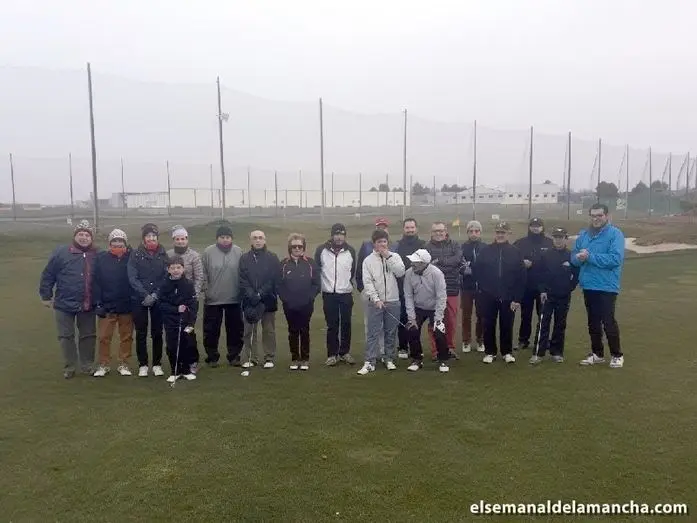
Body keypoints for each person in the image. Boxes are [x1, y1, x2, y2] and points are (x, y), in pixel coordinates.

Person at [39, 219, 99, 379]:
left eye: (87, 235)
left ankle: (87, 365)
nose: (84, 237)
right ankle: (70, 367)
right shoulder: (61, 253)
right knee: (66, 337)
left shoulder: (97, 254)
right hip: (64, 304)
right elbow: (48, 275)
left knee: (88, 336)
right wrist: (46, 296)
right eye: (81, 234)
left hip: (88, 303)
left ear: (91, 238)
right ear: (75, 236)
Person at [572, 203, 626, 368]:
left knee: (608, 321)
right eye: (593, 216)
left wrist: (589, 257)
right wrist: (578, 258)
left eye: (599, 215)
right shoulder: (584, 235)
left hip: (607, 286)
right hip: (588, 285)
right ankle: (597, 354)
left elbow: (615, 259)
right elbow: (574, 257)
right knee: (593, 322)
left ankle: (617, 355)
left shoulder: (615, 234)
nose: (596, 219)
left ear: (607, 216)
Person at [473, 221, 526, 364]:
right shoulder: (486, 251)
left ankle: (507, 352)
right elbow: (478, 271)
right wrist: (483, 289)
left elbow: (521, 277)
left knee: (506, 324)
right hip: (488, 295)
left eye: (503, 232)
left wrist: (517, 298)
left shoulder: (515, 252)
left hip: (509, 296)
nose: (500, 235)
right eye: (498, 232)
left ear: (508, 233)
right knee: (488, 324)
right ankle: (490, 352)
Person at [357, 229, 405, 375]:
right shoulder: (368, 261)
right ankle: (369, 361)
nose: (382, 244)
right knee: (373, 332)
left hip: (393, 300)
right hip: (375, 303)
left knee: (390, 332)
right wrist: (376, 299)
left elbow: (400, 272)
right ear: (374, 244)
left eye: (384, 241)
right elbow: (367, 282)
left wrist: (388, 257)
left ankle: (388, 358)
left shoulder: (395, 256)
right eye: (379, 242)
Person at [530, 227, 579, 364]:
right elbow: (539, 274)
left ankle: (556, 352)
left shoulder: (571, 256)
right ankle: (538, 353)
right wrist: (542, 290)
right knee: (543, 323)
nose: (558, 240)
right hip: (547, 295)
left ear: (565, 239)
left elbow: (576, 275)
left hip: (563, 295)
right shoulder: (545, 255)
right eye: (556, 237)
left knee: (560, 324)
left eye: (561, 237)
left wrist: (570, 287)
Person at [128, 223, 169, 377]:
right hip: (140, 299)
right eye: (148, 236)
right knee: (141, 332)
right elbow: (132, 277)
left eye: (153, 236)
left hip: (158, 299)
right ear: (144, 238)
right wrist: (144, 295)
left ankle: (157, 364)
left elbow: (166, 277)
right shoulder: (135, 254)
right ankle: (143, 364)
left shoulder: (163, 254)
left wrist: (155, 295)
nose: (151, 239)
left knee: (157, 332)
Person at [201, 224, 244, 367]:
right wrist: (206, 290)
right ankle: (212, 357)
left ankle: (234, 356)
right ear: (217, 238)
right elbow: (203, 273)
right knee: (211, 330)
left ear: (231, 238)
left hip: (234, 297)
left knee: (235, 329)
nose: (225, 240)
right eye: (222, 237)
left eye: (228, 237)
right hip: (213, 298)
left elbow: (243, 272)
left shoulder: (238, 251)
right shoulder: (208, 252)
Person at [92, 228, 133, 377]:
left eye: (120, 242)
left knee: (126, 336)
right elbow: (96, 282)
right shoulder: (101, 258)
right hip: (107, 305)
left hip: (126, 305)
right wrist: (98, 302)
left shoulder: (131, 258)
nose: (117, 245)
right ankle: (104, 364)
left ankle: (124, 364)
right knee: (104, 337)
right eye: (114, 242)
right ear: (110, 244)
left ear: (125, 244)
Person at [315, 223, 357, 366]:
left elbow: (352, 271)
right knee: (332, 324)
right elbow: (317, 270)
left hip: (345, 293)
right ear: (332, 235)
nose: (339, 237)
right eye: (336, 234)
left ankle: (344, 352)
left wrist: (345, 284)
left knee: (346, 324)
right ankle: (332, 354)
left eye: (342, 234)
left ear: (345, 236)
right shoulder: (321, 250)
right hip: (329, 294)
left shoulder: (350, 251)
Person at [278, 233, 321, 371]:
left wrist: (309, 298)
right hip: (289, 305)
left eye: (300, 246)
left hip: (306, 304)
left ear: (304, 247)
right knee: (293, 330)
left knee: (304, 330)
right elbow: (279, 285)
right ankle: (295, 358)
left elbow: (316, 284)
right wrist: (285, 299)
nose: (297, 248)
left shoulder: (310, 263)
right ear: (290, 248)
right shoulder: (284, 264)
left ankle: (305, 359)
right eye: (294, 246)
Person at [403, 249, 450, 373]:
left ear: (424, 263)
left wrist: (438, 318)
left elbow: (441, 296)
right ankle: (416, 359)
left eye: (415, 262)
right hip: (418, 307)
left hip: (435, 308)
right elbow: (408, 295)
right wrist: (411, 317)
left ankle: (443, 359)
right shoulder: (409, 273)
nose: (412, 264)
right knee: (412, 329)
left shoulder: (436, 273)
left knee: (439, 331)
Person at [239, 230, 280, 369]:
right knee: (249, 330)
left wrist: (260, 294)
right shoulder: (244, 258)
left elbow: (273, 279)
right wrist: (252, 294)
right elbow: (243, 279)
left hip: (268, 298)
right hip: (249, 299)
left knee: (268, 330)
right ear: (251, 241)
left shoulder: (272, 257)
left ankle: (269, 357)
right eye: (255, 238)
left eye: (260, 238)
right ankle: (251, 357)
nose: (258, 240)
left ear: (265, 240)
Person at [167, 225, 204, 373]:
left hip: (190, 300)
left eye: (183, 239)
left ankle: (192, 361)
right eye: (177, 239)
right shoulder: (168, 255)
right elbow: (166, 278)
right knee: (174, 333)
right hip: (173, 302)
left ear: (187, 239)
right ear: (174, 240)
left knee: (188, 332)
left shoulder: (194, 256)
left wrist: (192, 296)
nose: (180, 241)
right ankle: (178, 363)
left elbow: (199, 277)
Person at [513, 217, 553, 350]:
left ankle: (543, 340)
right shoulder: (520, 243)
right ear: (529, 227)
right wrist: (521, 263)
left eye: (538, 226)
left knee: (543, 315)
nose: (535, 228)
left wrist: (533, 264)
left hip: (543, 287)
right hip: (526, 285)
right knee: (526, 315)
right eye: (533, 225)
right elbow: (512, 260)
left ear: (542, 227)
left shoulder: (549, 243)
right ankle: (523, 340)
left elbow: (552, 262)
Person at [158, 256, 198, 383]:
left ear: (183, 269)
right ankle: (174, 371)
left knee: (187, 344)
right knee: (172, 345)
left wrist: (191, 322)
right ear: (168, 269)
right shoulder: (164, 285)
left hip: (186, 320)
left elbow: (193, 304)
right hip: (170, 321)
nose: (176, 270)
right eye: (173, 268)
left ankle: (186, 370)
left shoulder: (188, 284)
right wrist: (176, 309)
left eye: (178, 267)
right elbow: (161, 304)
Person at [356, 217, 390, 359]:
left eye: (384, 227)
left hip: (387, 293)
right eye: (379, 227)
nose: (381, 229)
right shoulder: (366, 246)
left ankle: (383, 351)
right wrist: (362, 288)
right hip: (369, 291)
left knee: (385, 324)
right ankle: (372, 351)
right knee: (370, 324)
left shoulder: (393, 247)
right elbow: (359, 268)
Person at [425, 221, 460, 359]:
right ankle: (436, 351)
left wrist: (439, 262)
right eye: (435, 231)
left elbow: (457, 261)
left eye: (441, 230)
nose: (438, 233)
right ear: (431, 233)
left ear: (446, 232)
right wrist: (447, 265)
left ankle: (449, 348)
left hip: (451, 288)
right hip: (432, 290)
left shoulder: (455, 245)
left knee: (450, 321)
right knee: (434, 321)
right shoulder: (426, 248)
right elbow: (427, 267)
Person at [393, 217, 426, 359]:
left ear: (416, 228)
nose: (410, 230)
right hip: (401, 287)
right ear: (403, 229)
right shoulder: (397, 246)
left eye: (412, 227)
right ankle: (402, 347)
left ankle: (416, 348)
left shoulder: (423, 245)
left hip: (419, 287)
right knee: (402, 317)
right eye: (407, 228)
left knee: (417, 319)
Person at [460, 220, 485, 354]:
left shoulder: (485, 247)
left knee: (481, 314)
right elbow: (458, 265)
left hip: (482, 287)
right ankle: (466, 340)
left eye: (476, 231)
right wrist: (463, 269)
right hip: (466, 287)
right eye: (471, 231)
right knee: (466, 315)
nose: (474, 234)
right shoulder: (462, 248)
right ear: (467, 233)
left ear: (480, 232)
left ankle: (480, 340)